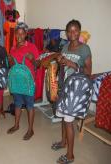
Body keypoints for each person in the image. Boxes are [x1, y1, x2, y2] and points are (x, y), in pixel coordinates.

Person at [51, 20, 92, 164]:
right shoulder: (65, 46)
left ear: (79, 31)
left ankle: (70, 155)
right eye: (69, 31)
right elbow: (62, 66)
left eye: (75, 30)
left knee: (68, 122)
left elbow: (88, 72)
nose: (72, 33)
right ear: (67, 33)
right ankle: (63, 142)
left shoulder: (85, 49)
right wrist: (59, 60)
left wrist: (72, 64)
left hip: (76, 90)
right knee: (63, 117)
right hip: (64, 86)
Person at [7, 22, 41, 140]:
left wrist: (32, 60)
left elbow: (38, 64)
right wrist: (10, 60)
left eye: (22, 34)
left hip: (28, 83)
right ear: (15, 34)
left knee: (29, 106)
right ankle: (16, 125)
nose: (19, 36)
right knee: (17, 104)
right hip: (16, 82)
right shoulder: (13, 48)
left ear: (26, 34)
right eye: (17, 33)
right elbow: (12, 65)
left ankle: (30, 130)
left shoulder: (32, 47)